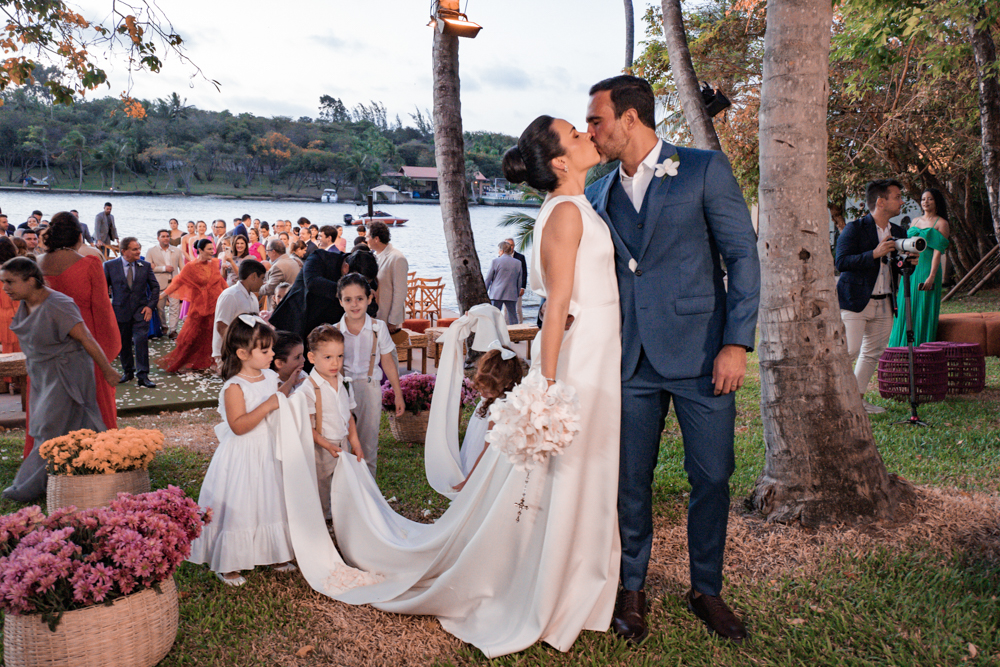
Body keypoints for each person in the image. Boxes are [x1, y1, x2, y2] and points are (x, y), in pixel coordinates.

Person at [280, 113, 623, 658]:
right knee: (570, 463)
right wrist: (548, 385)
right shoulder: (562, 213)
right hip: (580, 358)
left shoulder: (579, 203)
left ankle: (581, 570)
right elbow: (555, 308)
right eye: (576, 134)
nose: (587, 135)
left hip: (604, 348)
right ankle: (559, 577)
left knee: (587, 465)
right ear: (560, 161)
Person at [586, 75, 760, 643]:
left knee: (712, 476)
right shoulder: (596, 194)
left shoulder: (704, 170)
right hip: (630, 360)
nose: (592, 131)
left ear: (630, 119)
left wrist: (736, 343)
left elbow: (742, 255)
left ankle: (706, 589)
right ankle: (631, 587)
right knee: (629, 481)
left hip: (704, 355)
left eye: (597, 120)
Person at [186, 316, 298, 586]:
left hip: (267, 450)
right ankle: (230, 562)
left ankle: (274, 551)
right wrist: (268, 405)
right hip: (243, 456)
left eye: (272, 348)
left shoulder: (269, 376)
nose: (273, 353)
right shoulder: (235, 387)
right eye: (265, 350)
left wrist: (291, 384)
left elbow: (276, 398)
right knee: (242, 505)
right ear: (242, 354)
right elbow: (238, 425)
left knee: (269, 500)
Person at [1, 257, 119, 502]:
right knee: (59, 426)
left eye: (10, 282)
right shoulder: (26, 302)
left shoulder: (58, 304)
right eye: (3, 282)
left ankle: (28, 487)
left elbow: (86, 338)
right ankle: (84, 474)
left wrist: (107, 370)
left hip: (67, 374)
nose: (5, 288)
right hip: (42, 374)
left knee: (50, 427)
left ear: (31, 280)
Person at [41, 212, 122, 437]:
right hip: (85, 347)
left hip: (47, 347)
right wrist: (107, 351)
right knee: (94, 406)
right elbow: (102, 311)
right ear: (79, 237)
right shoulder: (90, 264)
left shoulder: (36, 265)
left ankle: (52, 455)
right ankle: (96, 456)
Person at [835, 179, 908, 415]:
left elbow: (898, 267)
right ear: (880, 201)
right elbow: (841, 262)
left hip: (886, 300)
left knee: (872, 353)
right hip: (855, 300)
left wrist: (908, 264)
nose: (901, 201)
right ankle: (833, 399)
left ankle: (857, 401)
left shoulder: (898, 232)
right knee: (850, 350)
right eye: (897, 196)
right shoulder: (855, 228)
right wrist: (874, 254)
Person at [336, 273, 405, 478]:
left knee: (368, 443)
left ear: (369, 299)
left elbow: (387, 361)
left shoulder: (378, 328)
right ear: (340, 302)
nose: (354, 304)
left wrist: (398, 393)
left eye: (359, 298)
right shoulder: (335, 330)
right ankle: (347, 489)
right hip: (342, 389)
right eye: (348, 300)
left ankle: (369, 493)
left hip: (370, 387)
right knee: (343, 440)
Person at [294, 325, 365, 521]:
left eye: (340, 356)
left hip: (343, 444)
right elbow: (307, 428)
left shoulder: (344, 383)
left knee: (343, 488)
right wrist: (327, 445)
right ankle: (323, 523)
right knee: (321, 489)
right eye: (328, 357)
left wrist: (355, 444)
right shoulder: (307, 390)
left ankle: (342, 522)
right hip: (321, 448)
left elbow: (348, 416)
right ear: (311, 358)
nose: (335, 363)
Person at [451, 345, 523, 492]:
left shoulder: (499, 410)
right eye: (480, 387)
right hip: (477, 450)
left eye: (487, 390)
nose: (482, 393)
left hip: (484, 460)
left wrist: (470, 480)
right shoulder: (492, 400)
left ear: (507, 384)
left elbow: (486, 450)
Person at [888, 188, 951, 347]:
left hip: (927, 269)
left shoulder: (942, 223)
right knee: (904, 307)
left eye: (930, 199)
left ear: (936, 201)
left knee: (923, 309)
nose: (926, 202)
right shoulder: (915, 221)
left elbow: (937, 253)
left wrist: (931, 276)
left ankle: (921, 347)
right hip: (910, 269)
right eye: (923, 199)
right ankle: (900, 348)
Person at [158, 238, 228, 373]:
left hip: (215, 305)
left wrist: (231, 294)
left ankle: (210, 362)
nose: (212, 252)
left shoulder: (214, 263)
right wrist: (162, 295)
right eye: (209, 249)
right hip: (199, 306)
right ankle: (182, 362)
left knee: (211, 335)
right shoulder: (190, 266)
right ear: (200, 250)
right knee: (192, 335)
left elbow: (220, 281)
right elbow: (177, 282)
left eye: (212, 249)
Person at [269, 236, 347, 357]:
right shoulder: (318, 257)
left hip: (321, 327)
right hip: (295, 319)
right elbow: (313, 282)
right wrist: (347, 291)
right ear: (347, 267)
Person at [104, 237, 160, 389]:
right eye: (135, 249)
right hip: (120, 311)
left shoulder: (145, 266)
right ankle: (128, 372)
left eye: (139, 248)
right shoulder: (109, 266)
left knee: (141, 341)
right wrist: (107, 309)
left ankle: (143, 376)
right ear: (124, 251)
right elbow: (103, 289)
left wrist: (150, 306)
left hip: (140, 311)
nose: (138, 252)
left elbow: (155, 287)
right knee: (124, 342)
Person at [213, 260, 266, 367]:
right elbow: (222, 326)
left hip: (245, 351)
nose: (263, 283)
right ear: (253, 276)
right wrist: (236, 351)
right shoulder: (231, 295)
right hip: (230, 353)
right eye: (262, 278)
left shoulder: (252, 297)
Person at [367, 221, 408, 335]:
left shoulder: (397, 258)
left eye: (368, 236)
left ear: (376, 239)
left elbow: (400, 291)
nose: (366, 240)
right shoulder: (373, 256)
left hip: (387, 317)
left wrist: (393, 320)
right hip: (374, 315)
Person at [147, 229, 185, 339]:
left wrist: (183, 280)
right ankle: (163, 326)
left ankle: (173, 330)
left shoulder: (176, 251)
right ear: (158, 238)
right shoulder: (151, 251)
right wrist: (163, 268)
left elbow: (182, 267)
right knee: (160, 308)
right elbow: (148, 267)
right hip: (159, 283)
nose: (166, 238)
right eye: (163, 236)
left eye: (167, 236)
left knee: (174, 307)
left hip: (174, 282)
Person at [485, 240, 523, 325]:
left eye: (499, 250)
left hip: (496, 293)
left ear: (501, 251)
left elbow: (488, 279)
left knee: (493, 316)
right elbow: (519, 280)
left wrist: (484, 292)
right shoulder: (518, 263)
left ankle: (494, 334)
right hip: (511, 293)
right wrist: (516, 293)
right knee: (513, 317)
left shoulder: (495, 261)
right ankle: (515, 335)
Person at [260, 239, 301, 308]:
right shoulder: (293, 261)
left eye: (267, 251)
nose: (267, 254)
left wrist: (256, 288)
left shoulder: (277, 266)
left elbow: (270, 289)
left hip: (282, 306)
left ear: (273, 252)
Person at [506, 237, 528, 323]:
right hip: (506, 288)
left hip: (517, 287)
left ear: (514, 246)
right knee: (506, 311)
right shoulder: (501, 257)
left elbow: (524, 273)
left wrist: (523, 287)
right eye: (508, 245)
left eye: (511, 245)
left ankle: (520, 326)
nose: (510, 247)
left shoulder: (520, 257)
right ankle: (507, 328)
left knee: (518, 309)